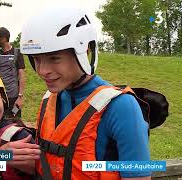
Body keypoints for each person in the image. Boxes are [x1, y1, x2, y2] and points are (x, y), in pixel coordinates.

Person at [20, 5, 151, 180]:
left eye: (54, 58)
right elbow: (49, 163)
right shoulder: (50, 99)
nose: (43, 70)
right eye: (37, 59)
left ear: (84, 50)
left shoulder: (122, 107)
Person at [0, 27, 25, 119]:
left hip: (14, 96)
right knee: (0, 122)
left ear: (4, 38)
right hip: (0, 96)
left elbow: (21, 76)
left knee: (15, 121)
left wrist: (20, 97)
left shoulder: (17, 52)